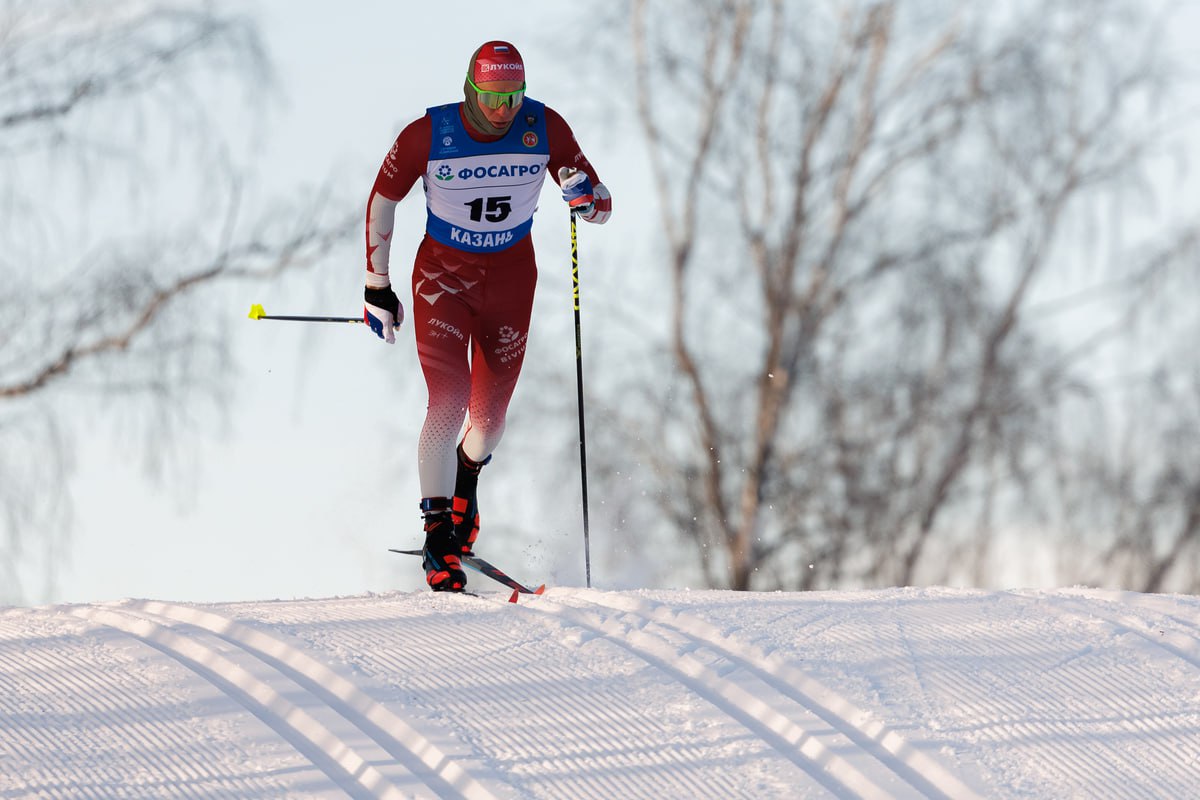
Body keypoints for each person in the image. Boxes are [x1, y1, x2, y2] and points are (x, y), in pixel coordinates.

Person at [361, 41, 611, 592]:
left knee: (490, 421)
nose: (504, 109)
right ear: (470, 90)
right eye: (493, 96)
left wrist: (585, 199)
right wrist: (377, 285)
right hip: (442, 281)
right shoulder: (428, 134)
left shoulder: (543, 127)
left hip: (511, 281)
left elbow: (601, 205)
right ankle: (438, 535)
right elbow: (383, 199)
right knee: (447, 400)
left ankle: (465, 480)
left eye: (513, 96)